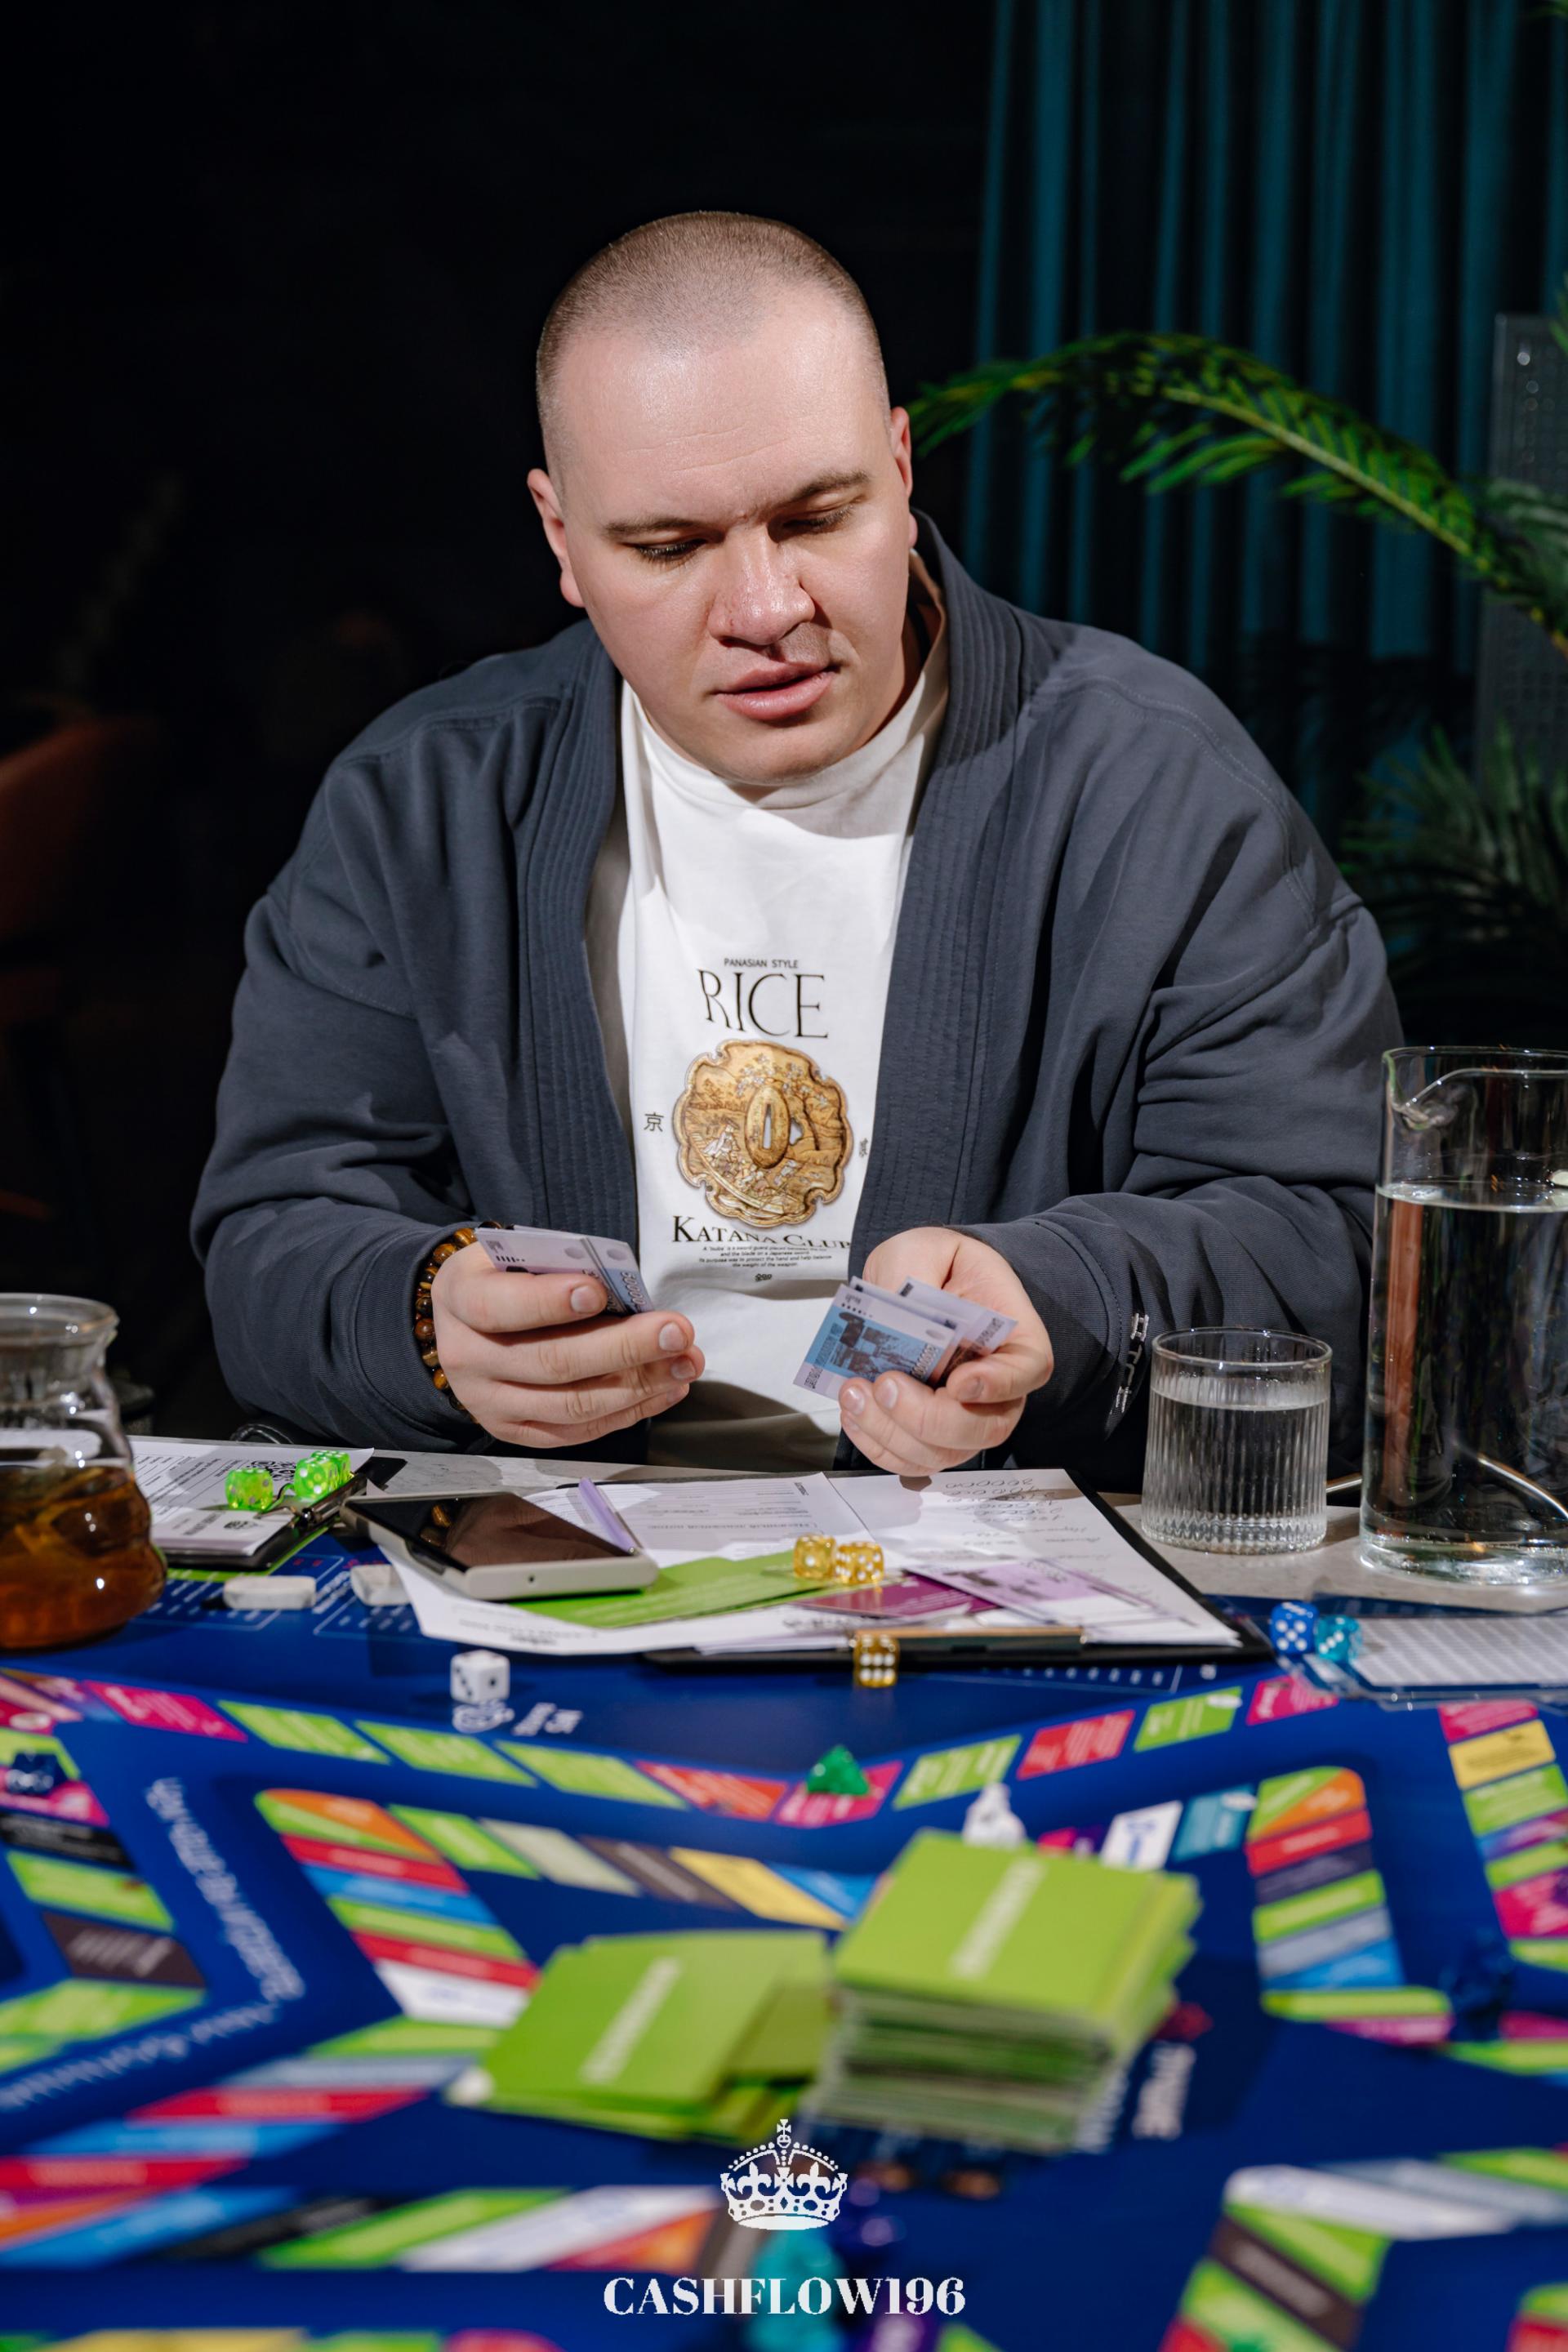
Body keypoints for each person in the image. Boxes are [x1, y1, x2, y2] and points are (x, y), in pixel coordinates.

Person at [194, 212, 1398, 1483]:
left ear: (901, 468)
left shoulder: (1155, 791)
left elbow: (1333, 1239)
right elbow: (272, 1241)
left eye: (818, 518)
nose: (766, 611)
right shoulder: (420, 807)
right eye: (670, 548)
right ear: (561, 539)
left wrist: (1061, 1301)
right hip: (560, 1558)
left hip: (975, 1568)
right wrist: (425, 1321)